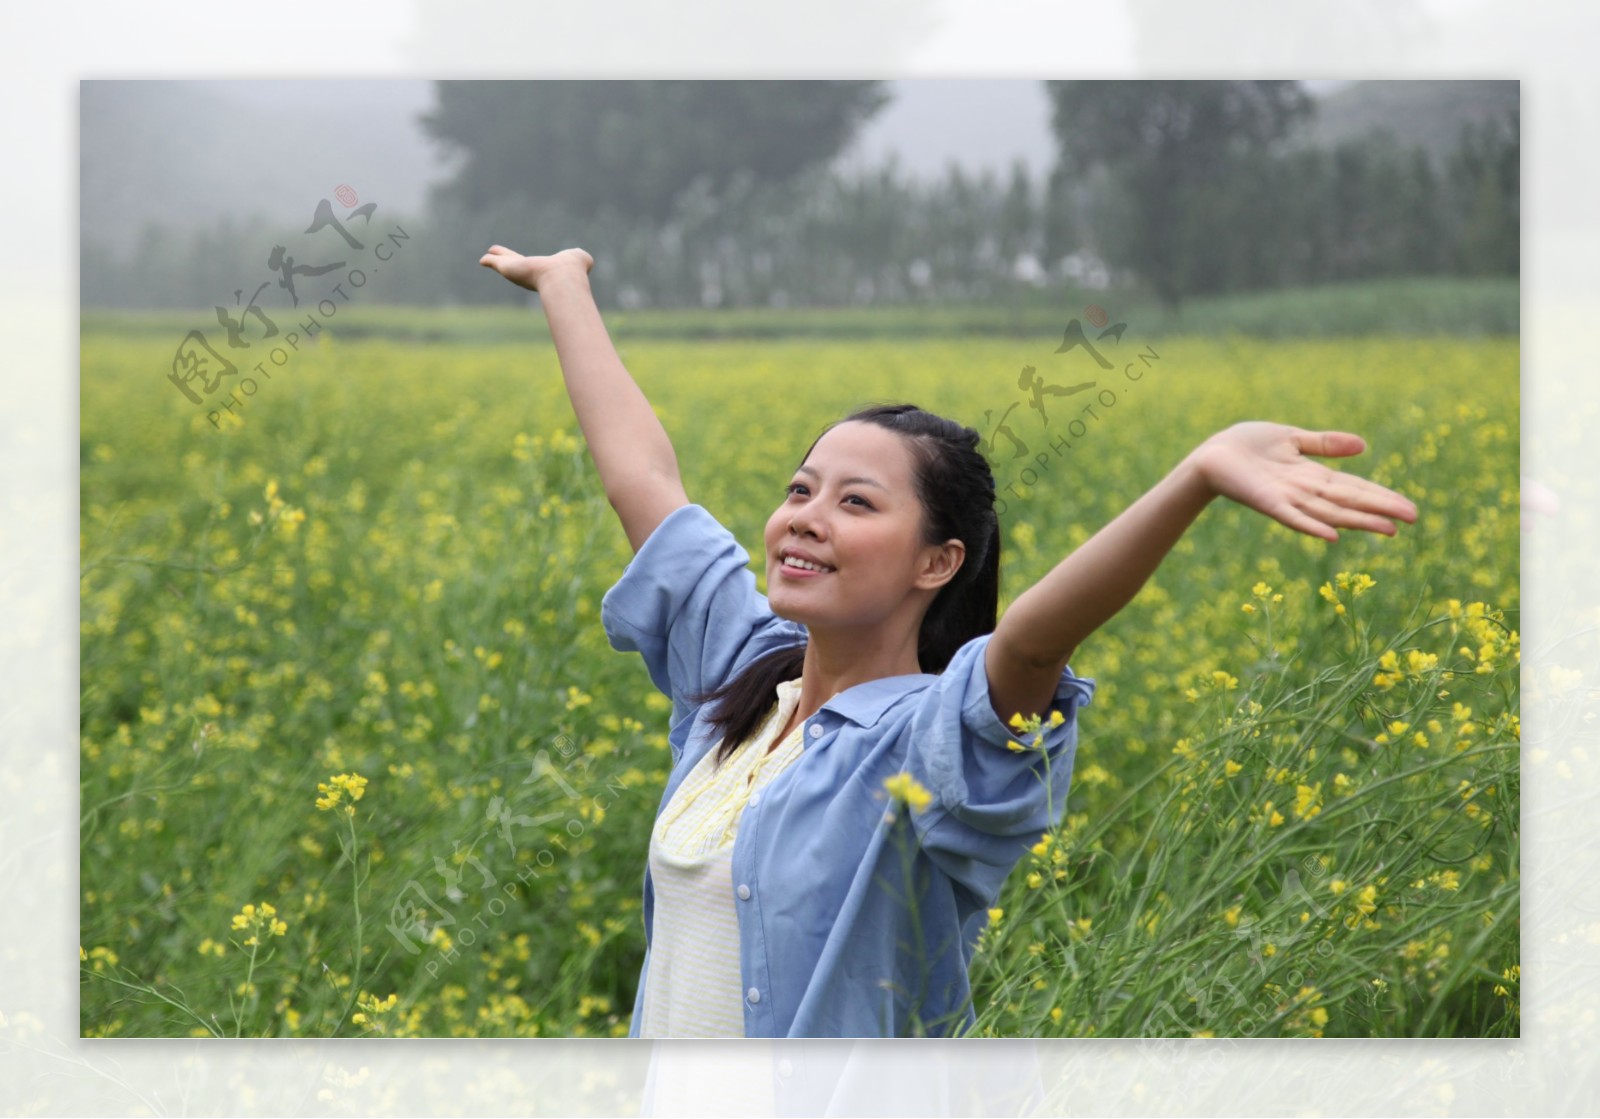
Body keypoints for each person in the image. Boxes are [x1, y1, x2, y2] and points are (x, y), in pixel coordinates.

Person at [477, 244, 1419, 1042]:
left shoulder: (931, 743)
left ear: (939, 562)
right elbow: (643, 474)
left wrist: (1195, 478)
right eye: (800, 490)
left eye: (855, 503)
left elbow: (1033, 642)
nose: (805, 519)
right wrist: (565, 286)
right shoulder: (743, 676)